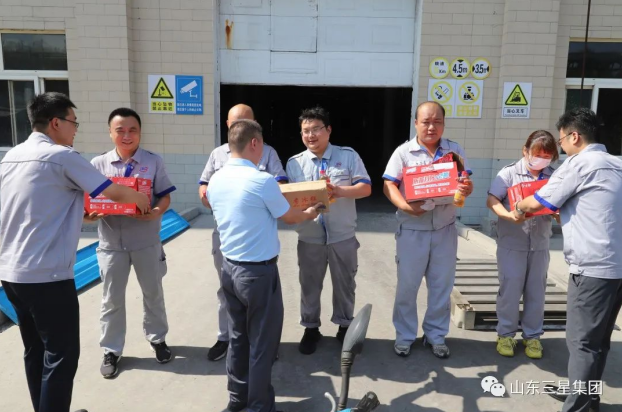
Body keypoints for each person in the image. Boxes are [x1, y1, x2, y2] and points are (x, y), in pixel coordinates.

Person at [0, 93, 150, 412]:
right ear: (56, 123)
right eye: (73, 122)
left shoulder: (12, 156)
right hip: (47, 277)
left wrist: (78, 217)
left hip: (11, 275)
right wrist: (139, 199)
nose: (75, 130)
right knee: (61, 355)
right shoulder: (62, 156)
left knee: (36, 350)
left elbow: (33, 206)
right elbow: (112, 191)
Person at [207, 119, 321, 412]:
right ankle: (259, 406)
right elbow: (289, 216)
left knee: (238, 337)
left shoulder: (216, 179)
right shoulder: (261, 180)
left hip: (229, 269)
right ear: (254, 143)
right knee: (262, 344)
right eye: (262, 146)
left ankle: (237, 399)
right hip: (257, 273)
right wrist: (310, 212)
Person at [514, 108, 622, 412]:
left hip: (593, 269)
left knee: (581, 343)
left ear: (574, 136)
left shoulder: (579, 164)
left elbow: (540, 200)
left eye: (561, 141)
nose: (561, 147)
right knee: (598, 341)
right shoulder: (617, 163)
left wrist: (519, 206)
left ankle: (578, 407)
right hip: (616, 268)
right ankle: (587, 396)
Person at [87, 107, 177, 378]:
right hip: (111, 244)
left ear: (140, 132)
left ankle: (158, 339)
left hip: (146, 241)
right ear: (110, 132)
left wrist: (157, 212)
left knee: (153, 293)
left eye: (132, 130)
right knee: (111, 299)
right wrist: (90, 215)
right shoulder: (98, 164)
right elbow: (87, 204)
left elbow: (164, 196)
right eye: (120, 130)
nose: (127, 135)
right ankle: (111, 349)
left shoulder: (153, 161)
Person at [382, 101, 473, 359]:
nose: (431, 127)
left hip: (445, 229)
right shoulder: (403, 153)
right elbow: (389, 185)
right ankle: (404, 336)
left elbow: (466, 181)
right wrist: (405, 207)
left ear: (443, 124)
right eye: (426, 122)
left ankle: (435, 336)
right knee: (407, 287)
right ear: (416, 124)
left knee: (441, 286)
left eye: (437, 122)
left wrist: (467, 188)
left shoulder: (454, 150)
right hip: (412, 229)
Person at [198, 103, 288, 361]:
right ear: (228, 126)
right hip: (226, 235)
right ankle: (225, 337)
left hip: (256, 236)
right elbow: (204, 184)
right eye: (235, 122)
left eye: (247, 121)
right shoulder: (217, 154)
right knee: (228, 290)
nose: (241, 127)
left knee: (258, 297)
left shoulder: (267, 152)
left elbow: (280, 182)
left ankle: (261, 345)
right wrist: (206, 195)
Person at [286, 106, 372, 355]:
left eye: (316, 129)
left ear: (328, 130)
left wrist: (339, 191)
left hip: (342, 236)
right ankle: (310, 328)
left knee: (345, 284)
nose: (310, 135)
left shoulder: (348, 156)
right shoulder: (294, 163)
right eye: (305, 131)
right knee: (309, 286)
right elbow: (289, 198)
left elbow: (366, 188)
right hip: (309, 236)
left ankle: (345, 327)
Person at [487, 130, 560, 359]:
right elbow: (492, 200)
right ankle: (505, 334)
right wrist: (508, 215)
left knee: (536, 291)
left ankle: (533, 336)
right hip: (512, 243)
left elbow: (561, 204)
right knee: (510, 290)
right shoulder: (509, 173)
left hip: (540, 244)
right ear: (525, 151)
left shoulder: (554, 176)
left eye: (547, 156)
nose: (542, 160)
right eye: (538, 155)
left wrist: (558, 213)